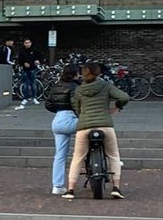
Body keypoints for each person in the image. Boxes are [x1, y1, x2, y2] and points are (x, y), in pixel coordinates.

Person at [63, 63, 129, 200]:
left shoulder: (79, 90)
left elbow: (77, 108)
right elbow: (124, 97)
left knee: (78, 157)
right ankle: (116, 187)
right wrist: (117, 107)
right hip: (105, 125)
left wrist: (83, 116)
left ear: (83, 74)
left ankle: (70, 189)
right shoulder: (105, 86)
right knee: (114, 155)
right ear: (99, 73)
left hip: (84, 127)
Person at [45, 64, 80, 195]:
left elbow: (48, 104)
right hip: (71, 117)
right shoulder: (75, 87)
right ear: (75, 74)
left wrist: (58, 110)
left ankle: (57, 186)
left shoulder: (56, 86)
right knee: (93, 128)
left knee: (60, 155)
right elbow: (75, 104)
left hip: (58, 119)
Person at [16, 38, 43, 107]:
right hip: (25, 69)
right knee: (25, 85)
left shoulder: (35, 50)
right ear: (24, 44)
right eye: (26, 43)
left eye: (28, 42)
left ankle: (34, 98)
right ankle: (25, 98)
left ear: (31, 43)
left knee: (33, 84)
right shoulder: (22, 51)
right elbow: (19, 60)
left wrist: (38, 61)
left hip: (33, 69)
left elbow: (40, 57)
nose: (27, 44)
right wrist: (23, 63)